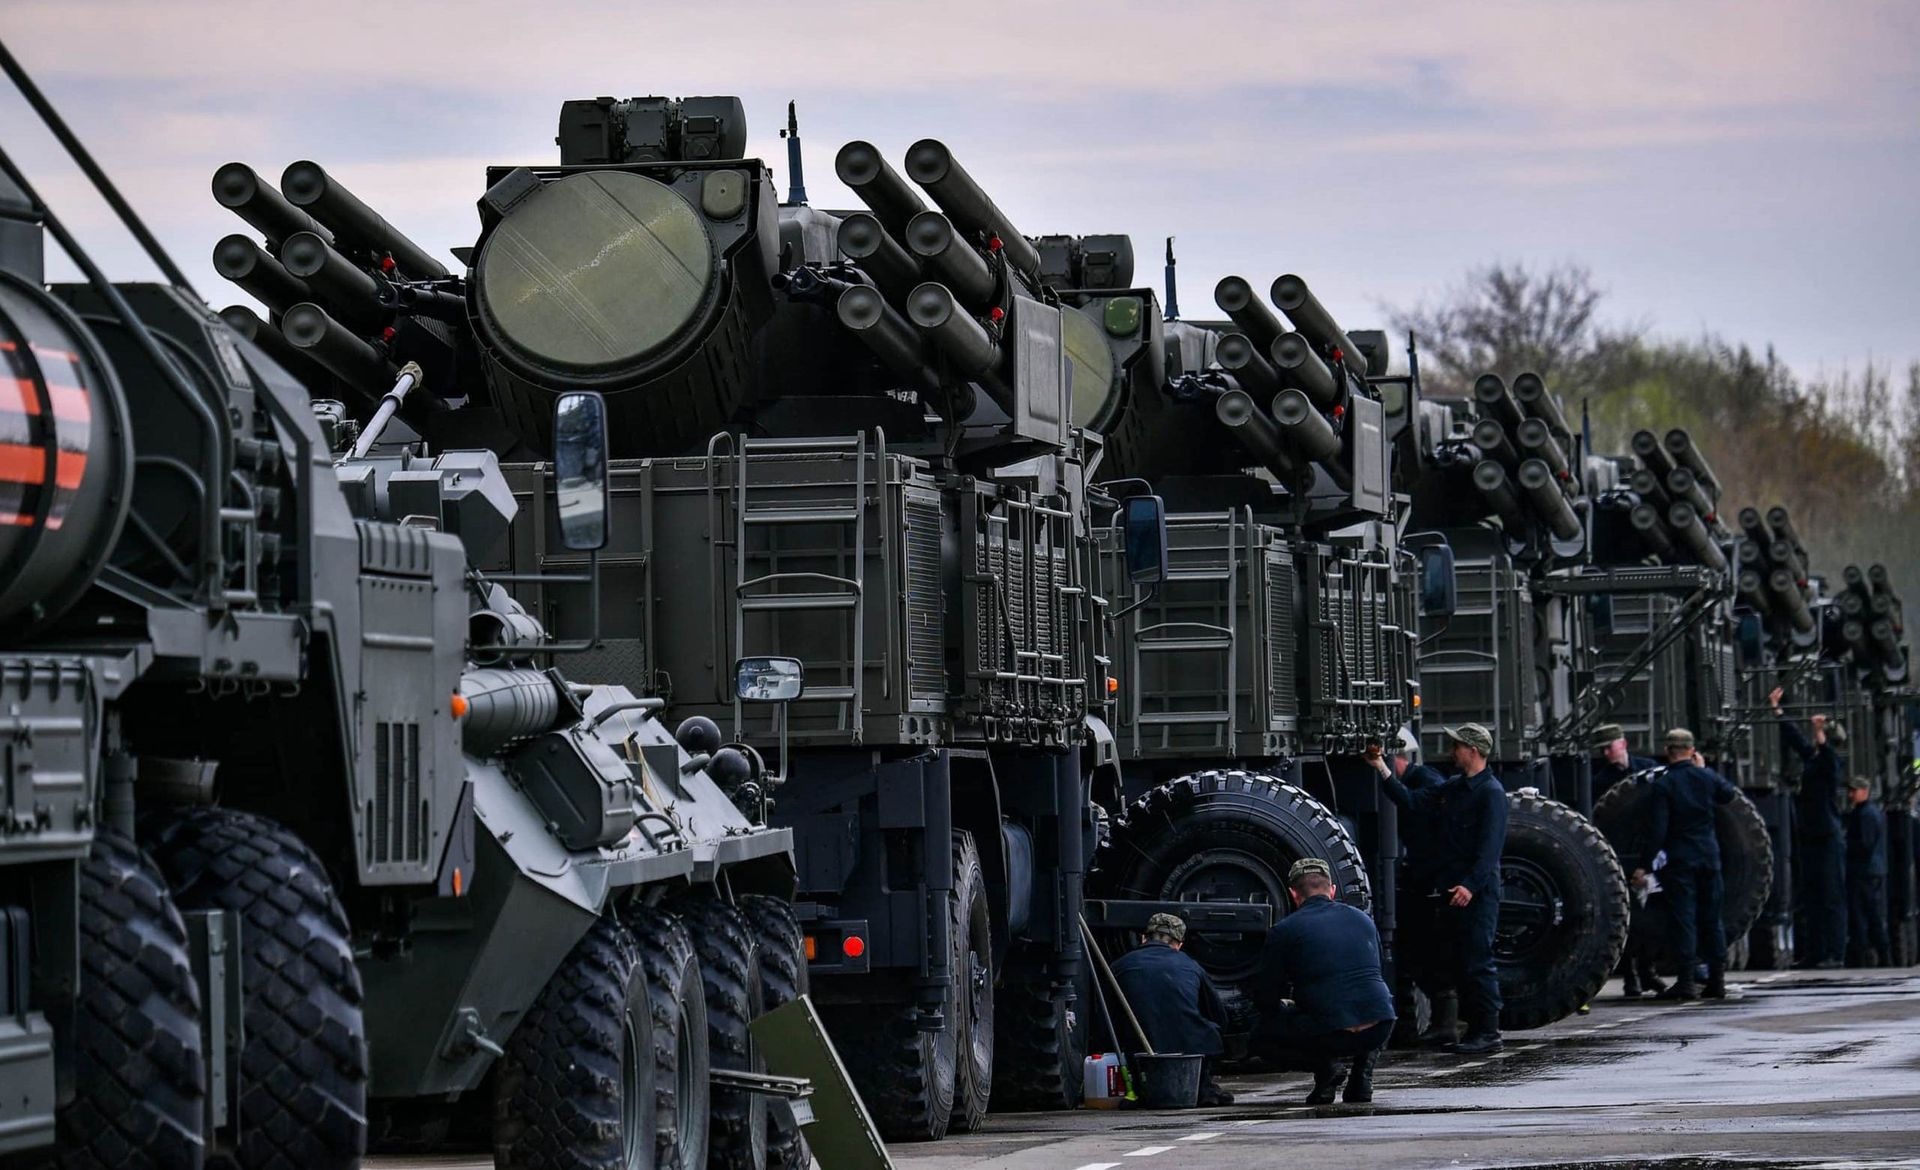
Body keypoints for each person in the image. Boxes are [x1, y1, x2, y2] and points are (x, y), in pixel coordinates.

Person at [1371, 723, 1507, 1054]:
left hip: (1475, 892)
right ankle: (1457, 1028)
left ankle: (1487, 1032)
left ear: (1473, 751)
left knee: (1477, 961)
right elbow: (1411, 802)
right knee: (1453, 961)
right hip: (1452, 890)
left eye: (1457, 746)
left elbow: (1490, 850)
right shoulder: (1454, 788)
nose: (1451, 751)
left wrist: (1471, 886)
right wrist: (1380, 767)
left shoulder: (1491, 793)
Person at [1249, 859, 1396, 1104]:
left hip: (1330, 1031)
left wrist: (1288, 1005)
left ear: (1293, 894)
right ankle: (1362, 1076)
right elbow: (1376, 974)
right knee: (1369, 1000)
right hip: (1380, 1026)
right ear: (1332, 890)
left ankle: (1325, 1069)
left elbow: (1266, 995)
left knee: (1260, 1039)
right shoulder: (1363, 920)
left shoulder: (1285, 930)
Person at [1633, 728, 1739, 1001]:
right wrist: (1704, 769)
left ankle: (1687, 981)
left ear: (1668, 751)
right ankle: (1717, 980)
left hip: (1681, 860)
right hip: (1709, 857)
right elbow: (1728, 795)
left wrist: (1644, 865)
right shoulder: (1706, 777)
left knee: (1685, 920)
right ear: (1692, 751)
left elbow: (1658, 830)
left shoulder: (1664, 785)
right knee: (1712, 919)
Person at [1108, 912, 1233, 1106]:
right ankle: (1202, 1088)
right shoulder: (1191, 966)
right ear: (1179, 944)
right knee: (1210, 1030)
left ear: (1143, 938)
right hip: (1189, 1052)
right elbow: (1219, 1017)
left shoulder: (1119, 966)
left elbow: (1106, 1019)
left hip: (1141, 1053)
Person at [1772, 686, 1847, 969]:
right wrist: (1778, 711)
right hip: (1812, 836)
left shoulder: (1831, 763)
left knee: (1830, 897)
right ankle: (1815, 952)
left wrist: (1820, 731)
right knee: (1812, 896)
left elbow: (1825, 754)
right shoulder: (1814, 760)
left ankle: (1834, 953)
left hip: (1828, 838)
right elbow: (1795, 739)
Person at [1843, 778, 1891, 967]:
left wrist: (1846, 846)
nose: (1850, 795)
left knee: (1864, 915)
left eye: (1854, 791)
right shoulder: (1871, 812)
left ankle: (1868, 956)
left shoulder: (1865, 815)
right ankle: (1878, 955)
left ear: (1865, 791)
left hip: (1864, 872)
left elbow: (1864, 844)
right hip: (1871, 871)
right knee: (1871, 914)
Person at [1591, 722, 1656, 801]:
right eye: (1602, 749)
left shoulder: (1649, 767)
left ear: (1623, 744)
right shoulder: (1601, 780)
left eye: (1609, 747)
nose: (1605, 753)